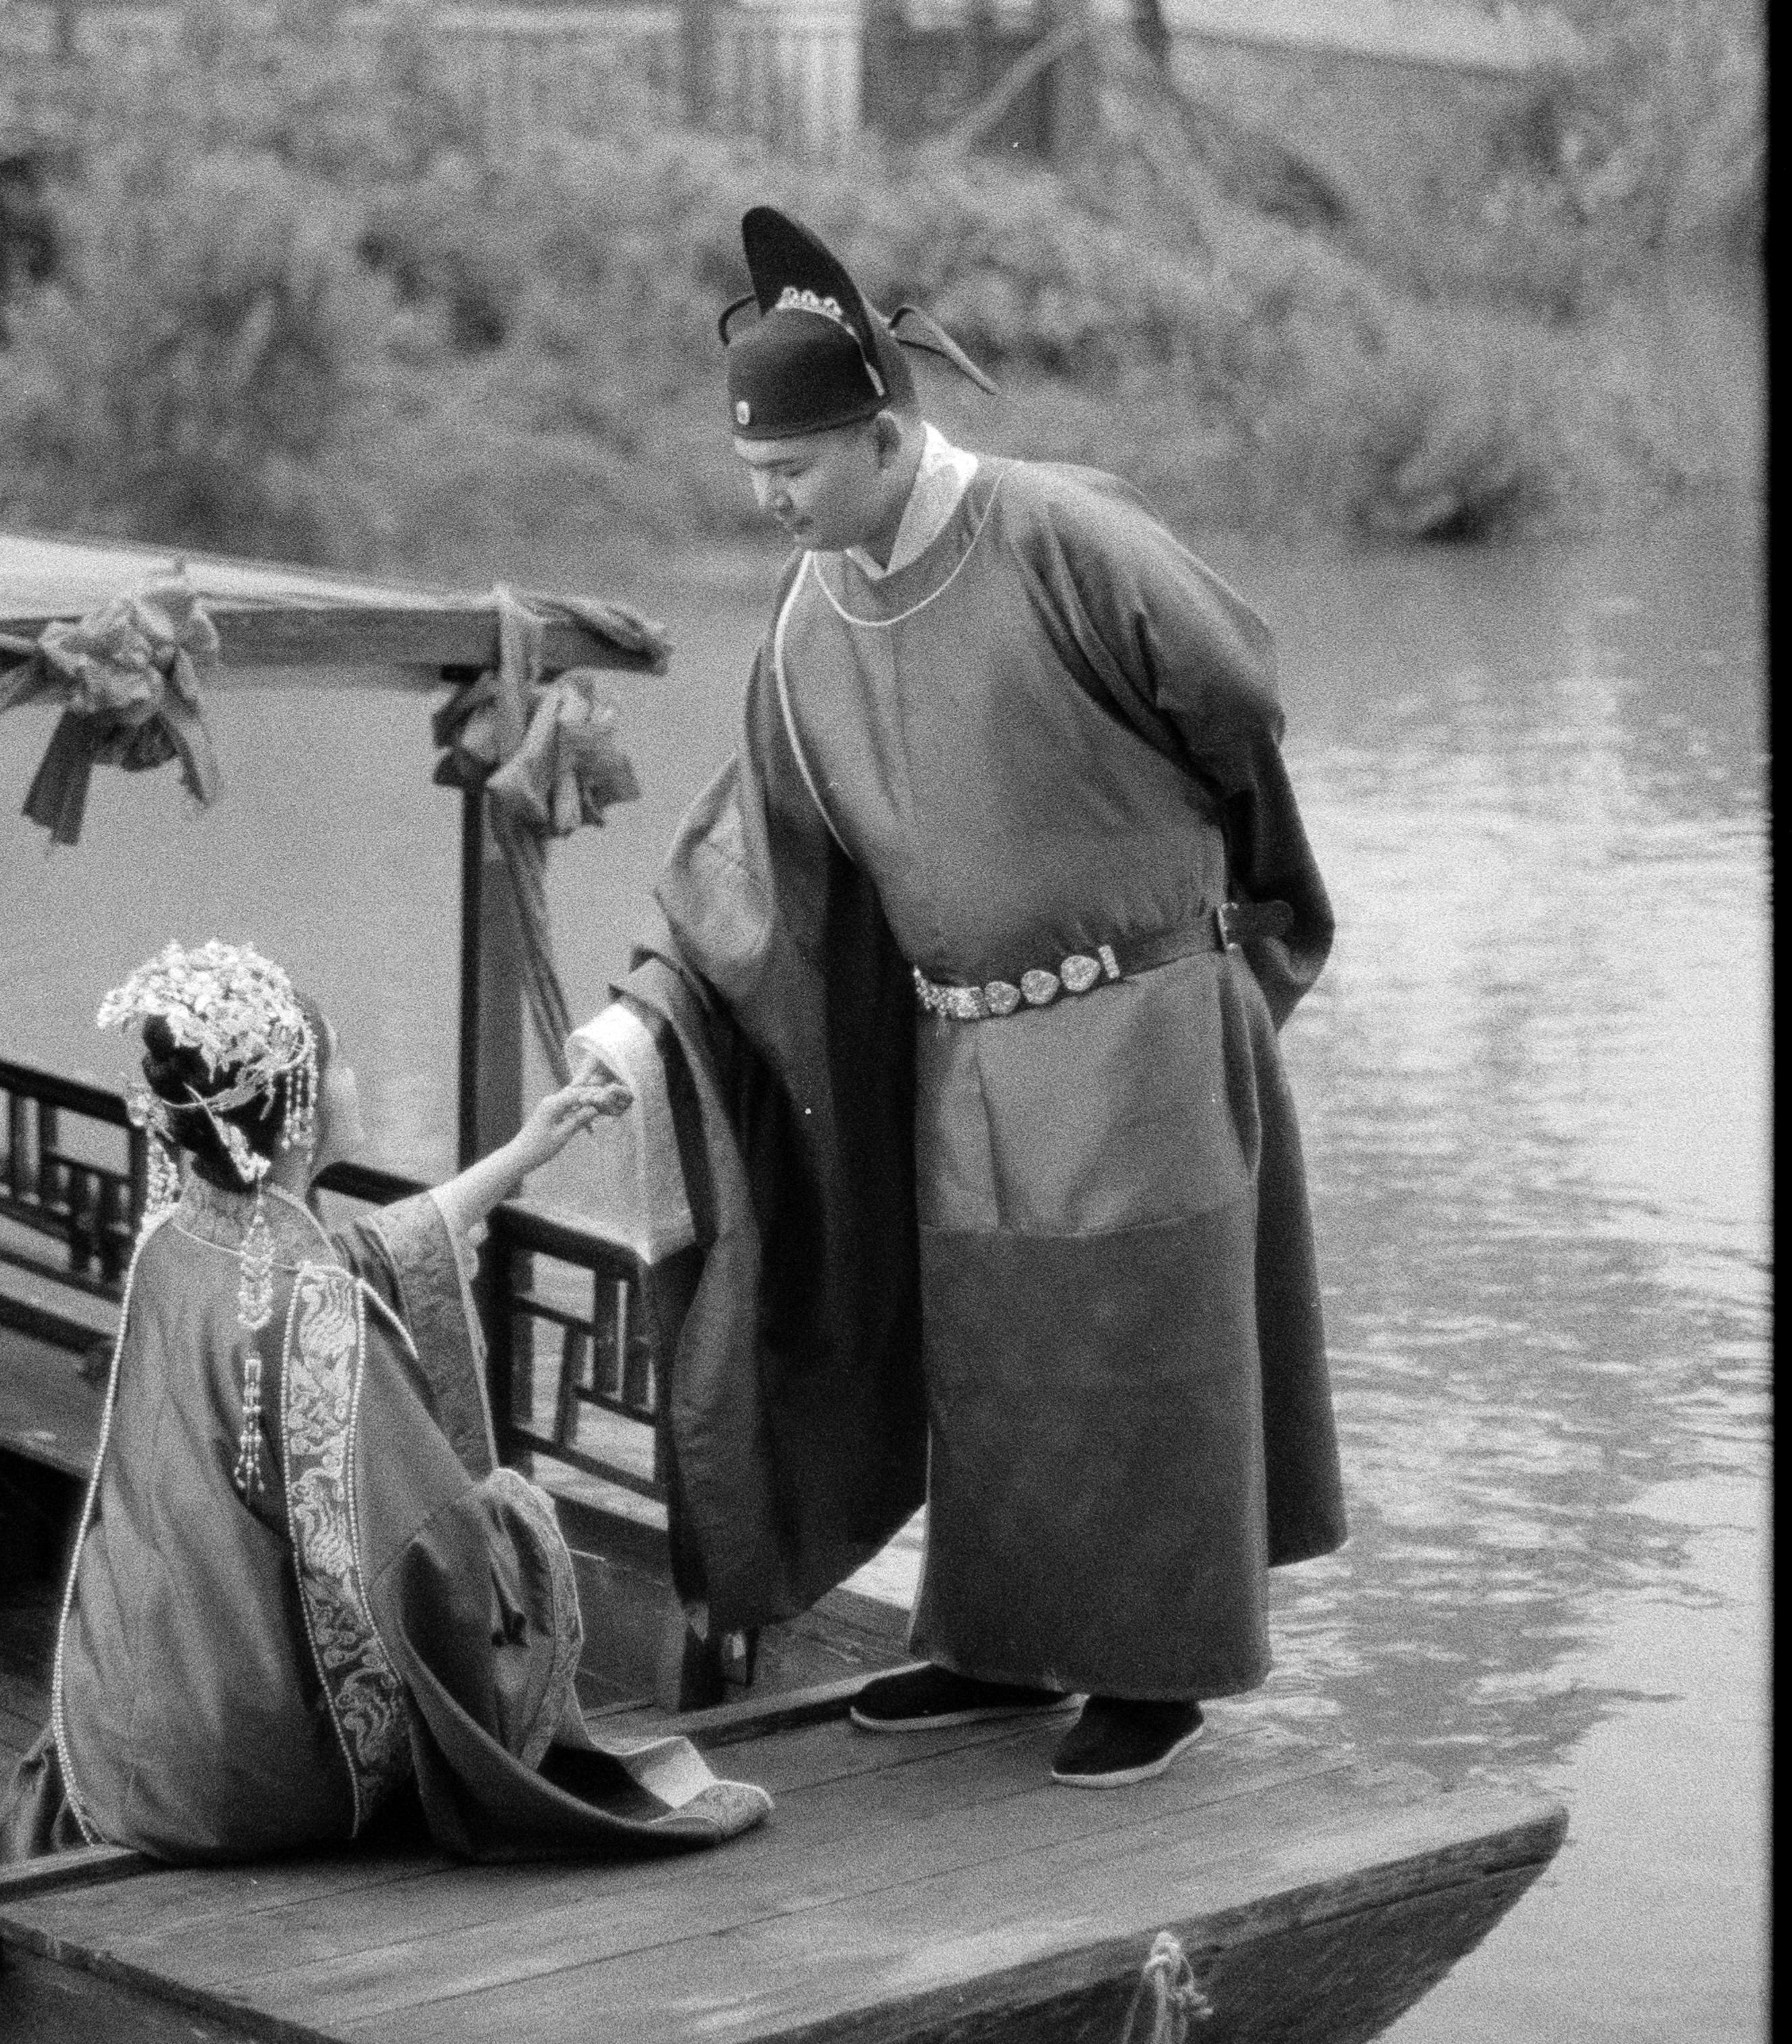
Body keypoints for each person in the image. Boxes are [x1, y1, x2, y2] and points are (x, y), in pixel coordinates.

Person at [571, 208, 1347, 1788]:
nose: (769, 502)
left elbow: (1237, 700)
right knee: (991, 1361)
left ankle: (1157, 1674)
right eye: (752, 478)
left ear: (882, 432)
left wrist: (1211, 917)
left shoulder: (1061, 534)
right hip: (963, 1051)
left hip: (1134, 1020)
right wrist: (651, 1012)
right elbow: (763, 859)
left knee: (1143, 1349)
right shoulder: (805, 619)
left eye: (791, 471)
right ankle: (992, 1648)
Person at [0, 939, 768, 1868]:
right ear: (302, 1114)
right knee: (501, 1550)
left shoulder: (181, 1239)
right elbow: (428, 1550)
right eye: (343, 1062)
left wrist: (522, 1151)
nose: (354, 1078)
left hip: (129, 1724)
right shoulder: (311, 1305)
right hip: (253, 1764)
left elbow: (354, 1260)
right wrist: (518, 1529)